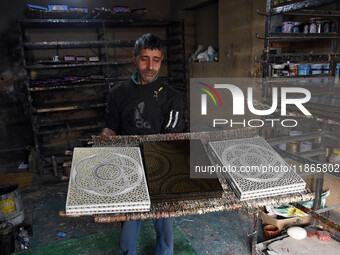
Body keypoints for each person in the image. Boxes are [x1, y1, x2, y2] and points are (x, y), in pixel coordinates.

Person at [101, 33, 184, 255]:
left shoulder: (172, 97)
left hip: (160, 163)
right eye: (144, 59)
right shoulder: (118, 93)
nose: (150, 66)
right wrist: (102, 146)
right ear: (134, 58)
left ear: (162, 60)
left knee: (164, 219)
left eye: (156, 60)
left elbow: (170, 139)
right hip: (128, 165)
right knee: (130, 219)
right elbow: (111, 128)